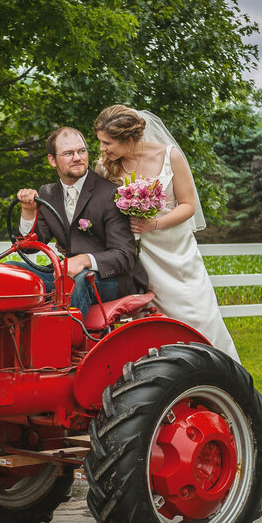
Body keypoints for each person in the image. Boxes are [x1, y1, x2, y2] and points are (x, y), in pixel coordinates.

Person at [93, 105, 240, 362]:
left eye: (108, 143)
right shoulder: (105, 167)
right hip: (140, 256)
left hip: (176, 251)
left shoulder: (170, 156)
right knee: (151, 319)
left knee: (199, 314)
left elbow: (188, 206)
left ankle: (220, 372)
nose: (103, 149)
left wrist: (154, 225)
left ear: (128, 139)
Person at [15, 126, 148, 320]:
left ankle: (60, 343)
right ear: (52, 160)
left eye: (81, 151)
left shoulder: (110, 193)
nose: (77, 157)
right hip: (66, 277)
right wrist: (28, 212)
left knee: (79, 281)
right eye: (68, 153)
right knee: (12, 271)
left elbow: (125, 255)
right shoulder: (47, 193)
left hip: (112, 279)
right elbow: (29, 248)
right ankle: (16, 338)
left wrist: (84, 259)